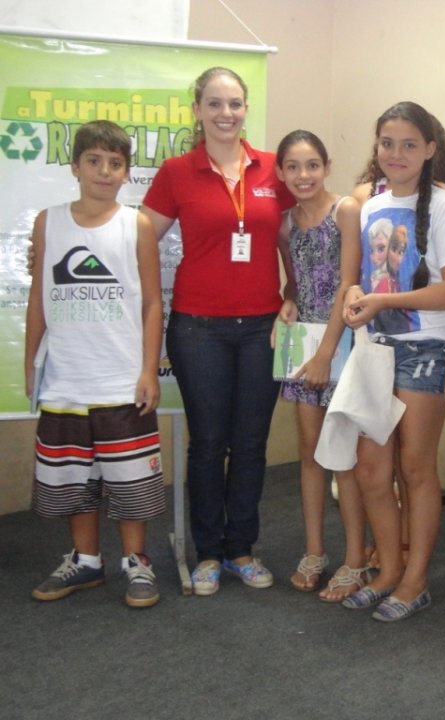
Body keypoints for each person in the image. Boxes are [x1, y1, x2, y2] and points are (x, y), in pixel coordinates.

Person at [141, 66, 295, 596]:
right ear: (197, 110)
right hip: (197, 328)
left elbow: (300, 238)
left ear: (246, 108)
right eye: (214, 103)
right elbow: (139, 236)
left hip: (262, 329)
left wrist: (294, 295)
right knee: (208, 443)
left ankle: (242, 549)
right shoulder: (176, 171)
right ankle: (207, 552)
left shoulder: (275, 170)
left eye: (234, 103)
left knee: (251, 444)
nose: (225, 113)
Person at [25, 120, 164, 608]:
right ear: (75, 166)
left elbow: (151, 303)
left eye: (115, 163)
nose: (104, 172)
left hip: (121, 379)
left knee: (131, 483)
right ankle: (85, 561)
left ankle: (136, 563)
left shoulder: (137, 224)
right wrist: (30, 362)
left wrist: (148, 370)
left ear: (126, 172)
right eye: (94, 161)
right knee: (74, 480)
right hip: (66, 380)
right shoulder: (48, 222)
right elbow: (40, 297)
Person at [340, 101, 445, 621]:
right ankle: (389, 569)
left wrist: (383, 302)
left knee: (415, 469)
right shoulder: (369, 205)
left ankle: (415, 581)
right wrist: (355, 294)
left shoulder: (442, 205)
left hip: (425, 349)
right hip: (375, 349)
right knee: (372, 470)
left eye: (409, 144)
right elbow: (363, 279)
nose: (397, 154)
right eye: (387, 143)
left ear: (430, 150)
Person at [270, 129, 369, 599]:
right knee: (310, 453)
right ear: (281, 172)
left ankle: (354, 560)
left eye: (312, 165)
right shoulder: (285, 223)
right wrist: (286, 303)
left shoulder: (345, 210)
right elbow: (296, 284)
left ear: (327, 166)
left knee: (342, 456)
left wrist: (327, 354)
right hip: (303, 348)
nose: (302, 175)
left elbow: (349, 282)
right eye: (292, 166)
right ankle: (314, 550)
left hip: (340, 347)